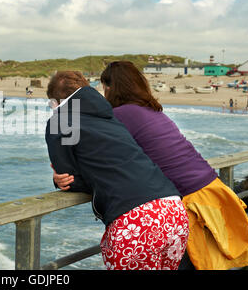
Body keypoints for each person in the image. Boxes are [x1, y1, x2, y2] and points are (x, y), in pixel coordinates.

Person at [54, 62, 248, 270]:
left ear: (110, 87)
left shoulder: (120, 116)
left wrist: (66, 177)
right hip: (212, 192)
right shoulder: (152, 111)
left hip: (190, 203)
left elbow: (101, 164)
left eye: (104, 88)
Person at [45, 71, 189, 270]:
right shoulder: (108, 116)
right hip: (173, 211)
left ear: (55, 101)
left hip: (136, 222)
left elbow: (70, 179)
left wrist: (59, 180)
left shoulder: (60, 121)